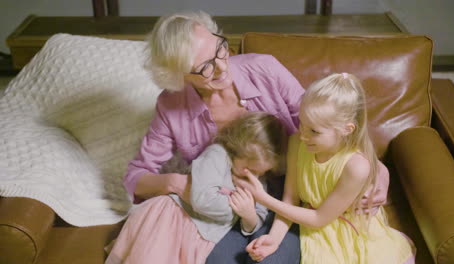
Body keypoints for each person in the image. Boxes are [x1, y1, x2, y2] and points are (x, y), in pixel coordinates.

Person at [123, 10, 389, 263]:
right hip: (229, 207)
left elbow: (323, 123)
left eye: (220, 49)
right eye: (204, 67)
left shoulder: (264, 69)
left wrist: (376, 169)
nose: (221, 67)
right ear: (178, 75)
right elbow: (136, 177)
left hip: (290, 196)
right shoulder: (171, 105)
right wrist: (180, 184)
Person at [236, 73, 416, 263]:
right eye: (302, 124)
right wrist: (273, 239)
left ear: (347, 129)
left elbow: (320, 218)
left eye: (314, 131)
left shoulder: (355, 166)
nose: (303, 135)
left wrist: (263, 198)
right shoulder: (298, 142)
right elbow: (291, 199)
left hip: (343, 229)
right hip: (309, 222)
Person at [106, 112, 288, 264]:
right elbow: (203, 199)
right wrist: (237, 211)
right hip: (174, 218)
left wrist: (249, 216)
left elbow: (259, 216)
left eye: (260, 172)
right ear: (236, 148)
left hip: (202, 236)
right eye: (249, 168)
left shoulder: (258, 181)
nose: (253, 176)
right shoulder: (217, 155)